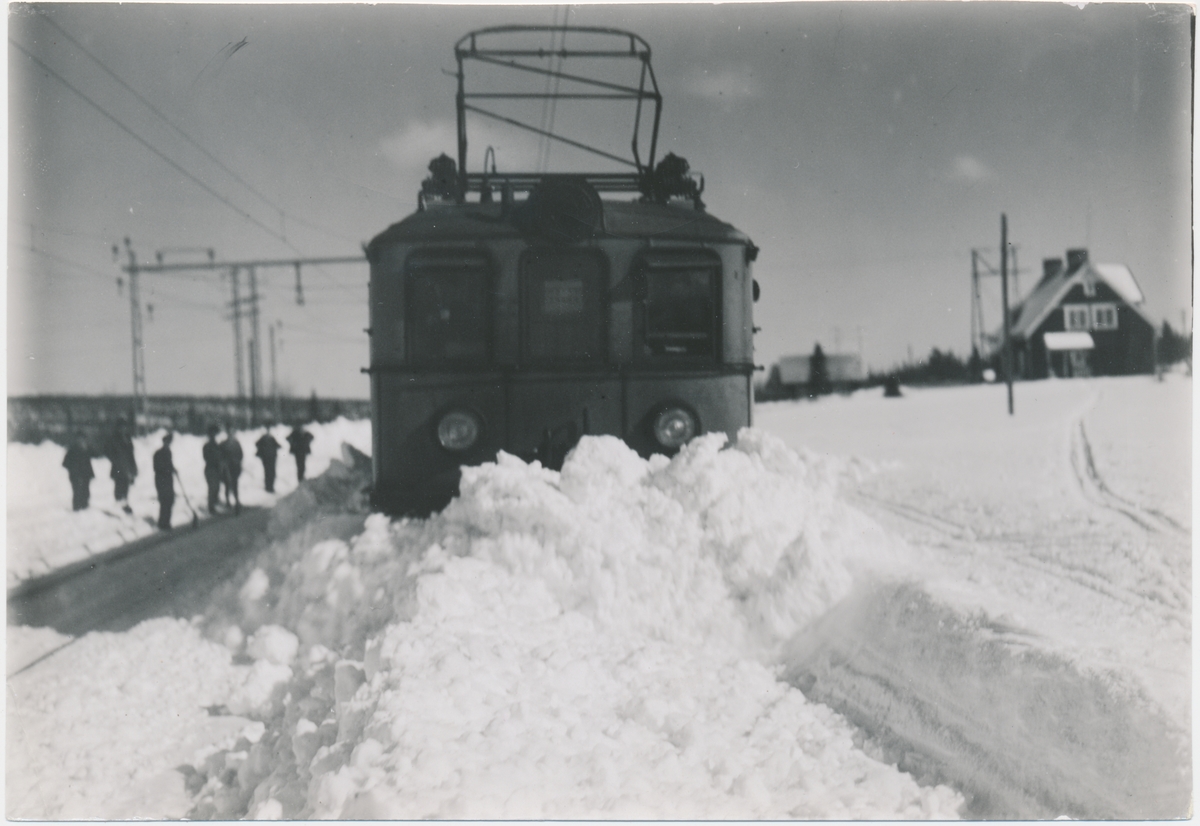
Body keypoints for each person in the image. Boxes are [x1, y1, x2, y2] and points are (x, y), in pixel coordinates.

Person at [105, 418, 137, 514]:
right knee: (119, 487)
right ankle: (119, 509)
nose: (123, 429)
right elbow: (108, 452)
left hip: (127, 467)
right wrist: (116, 460)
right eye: (121, 427)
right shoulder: (114, 439)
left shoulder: (128, 438)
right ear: (117, 428)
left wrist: (133, 468)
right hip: (118, 468)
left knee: (126, 487)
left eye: (124, 427)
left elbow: (131, 455)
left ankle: (124, 506)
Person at [62, 434, 94, 511]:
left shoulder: (86, 449)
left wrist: (89, 447)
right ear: (76, 440)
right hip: (75, 475)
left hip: (86, 474)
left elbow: (96, 454)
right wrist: (73, 470)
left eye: (83, 439)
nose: (81, 441)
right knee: (77, 491)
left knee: (85, 491)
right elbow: (65, 463)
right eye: (80, 439)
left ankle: (85, 507)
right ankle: (77, 508)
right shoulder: (72, 450)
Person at [153, 433, 175, 530]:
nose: (168, 444)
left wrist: (173, 469)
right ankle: (162, 523)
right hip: (161, 480)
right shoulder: (158, 453)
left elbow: (169, 464)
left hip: (168, 480)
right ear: (164, 442)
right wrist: (168, 469)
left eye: (169, 442)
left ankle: (167, 522)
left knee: (170, 500)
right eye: (167, 442)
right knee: (164, 501)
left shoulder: (168, 452)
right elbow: (157, 467)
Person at [222, 426, 244, 514]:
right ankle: (228, 501)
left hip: (235, 467)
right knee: (227, 484)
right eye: (229, 433)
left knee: (235, 484)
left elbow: (241, 454)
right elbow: (221, 455)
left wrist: (238, 461)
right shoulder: (223, 444)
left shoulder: (237, 443)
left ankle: (236, 500)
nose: (231, 435)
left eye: (232, 433)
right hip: (227, 468)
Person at [202, 424, 223, 514]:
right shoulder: (207, 446)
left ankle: (214, 504)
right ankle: (211, 507)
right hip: (210, 469)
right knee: (212, 488)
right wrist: (216, 461)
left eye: (214, 434)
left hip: (216, 469)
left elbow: (220, 456)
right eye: (212, 434)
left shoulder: (217, 445)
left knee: (216, 487)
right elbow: (206, 457)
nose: (213, 436)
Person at [255, 425, 282, 493]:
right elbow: (257, 444)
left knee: (270, 472)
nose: (268, 432)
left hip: (270, 458)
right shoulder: (266, 438)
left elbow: (277, 445)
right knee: (269, 472)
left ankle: (270, 487)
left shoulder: (269, 438)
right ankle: (269, 487)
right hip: (268, 458)